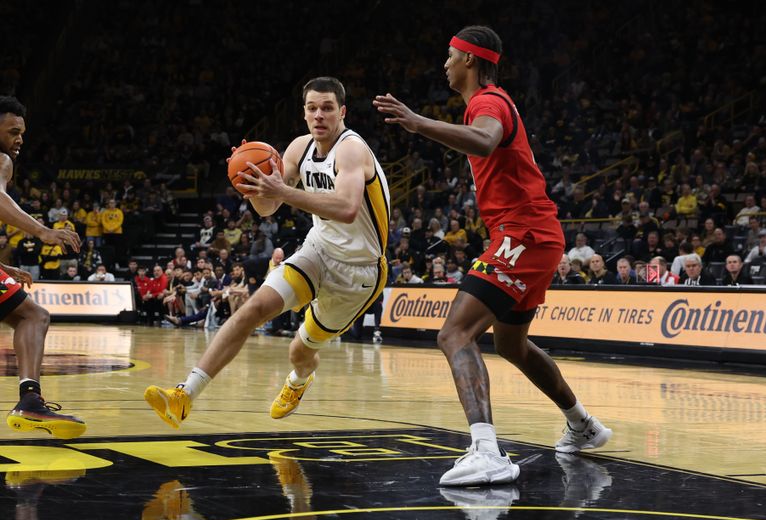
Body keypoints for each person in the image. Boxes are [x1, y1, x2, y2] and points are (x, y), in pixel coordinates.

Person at [374, 26, 610, 487]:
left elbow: (483, 140)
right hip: (526, 234)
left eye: (449, 55)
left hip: (523, 234)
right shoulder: (485, 102)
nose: (444, 64)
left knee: (454, 333)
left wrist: (418, 122)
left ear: (469, 59)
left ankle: (487, 452)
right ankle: (584, 425)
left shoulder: (489, 102)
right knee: (510, 345)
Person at [146, 77, 389, 430]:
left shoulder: (351, 149)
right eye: (312, 108)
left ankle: (298, 380)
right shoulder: (298, 149)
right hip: (318, 248)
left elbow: (347, 207)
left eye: (327, 108)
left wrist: (282, 192)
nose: (319, 115)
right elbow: (267, 208)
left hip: (359, 271)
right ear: (304, 113)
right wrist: (252, 182)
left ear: (342, 112)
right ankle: (185, 394)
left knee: (300, 352)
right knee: (252, 308)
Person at [0, 96, 85, 439]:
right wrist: (43, 230)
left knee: (29, 315)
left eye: (22, 133)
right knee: (34, 316)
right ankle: (30, 401)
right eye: (12, 132)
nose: (19, 139)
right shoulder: (1, 160)